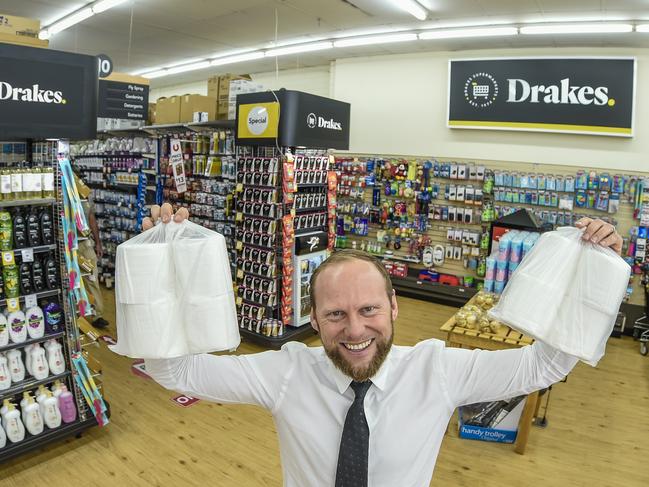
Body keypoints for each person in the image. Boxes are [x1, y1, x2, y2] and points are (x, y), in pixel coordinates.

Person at [141, 203, 622, 487]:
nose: (354, 331)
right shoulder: (288, 372)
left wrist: (590, 269)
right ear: (313, 319)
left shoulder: (438, 370)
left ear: (394, 307)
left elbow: (544, 366)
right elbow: (175, 373)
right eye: (336, 314)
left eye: (368, 310)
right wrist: (161, 263)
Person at [74, 172, 109, 329]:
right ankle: (75, 316)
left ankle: (97, 315)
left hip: (85, 243)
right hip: (69, 245)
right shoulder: (64, 196)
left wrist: (98, 243)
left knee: (92, 278)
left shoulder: (85, 196)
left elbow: (91, 219)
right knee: (72, 281)